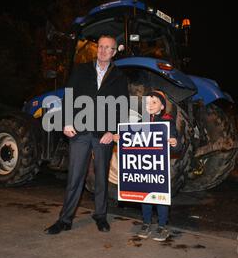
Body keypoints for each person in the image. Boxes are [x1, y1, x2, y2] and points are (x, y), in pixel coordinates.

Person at [45, 35, 130, 235]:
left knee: (101, 177)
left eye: (108, 47)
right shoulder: (81, 70)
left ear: (114, 52)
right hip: (80, 131)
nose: (103, 50)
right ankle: (65, 220)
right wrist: (66, 121)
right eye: (100, 46)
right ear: (97, 48)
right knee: (75, 177)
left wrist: (113, 131)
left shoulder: (120, 77)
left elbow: (122, 107)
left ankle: (100, 216)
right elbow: (69, 96)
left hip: (104, 135)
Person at [114, 89, 179, 241]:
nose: (150, 105)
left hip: (159, 167)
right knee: (145, 196)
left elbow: (177, 145)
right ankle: (146, 223)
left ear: (162, 106)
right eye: (148, 102)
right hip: (144, 167)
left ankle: (162, 225)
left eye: (154, 102)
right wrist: (120, 138)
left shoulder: (168, 122)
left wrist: (175, 142)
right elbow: (130, 140)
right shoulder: (139, 122)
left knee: (161, 196)